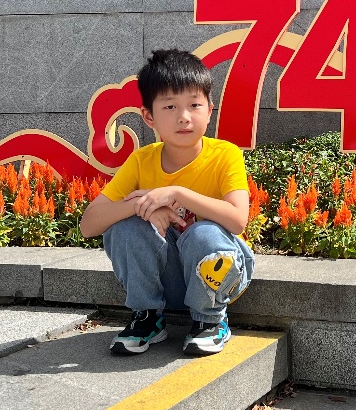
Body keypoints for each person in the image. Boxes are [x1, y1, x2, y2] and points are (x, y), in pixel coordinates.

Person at [79, 49, 255, 356]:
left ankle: (211, 320)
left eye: (194, 105)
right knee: (126, 227)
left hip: (221, 276)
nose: (184, 116)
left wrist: (176, 193)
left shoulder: (225, 154)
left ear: (209, 109)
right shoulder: (141, 161)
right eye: (170, 106)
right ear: (149, 116)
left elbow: (238, 220)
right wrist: (145, 206)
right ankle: (148, 318)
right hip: (170, 283)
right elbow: (89, 225)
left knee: (203, 233)